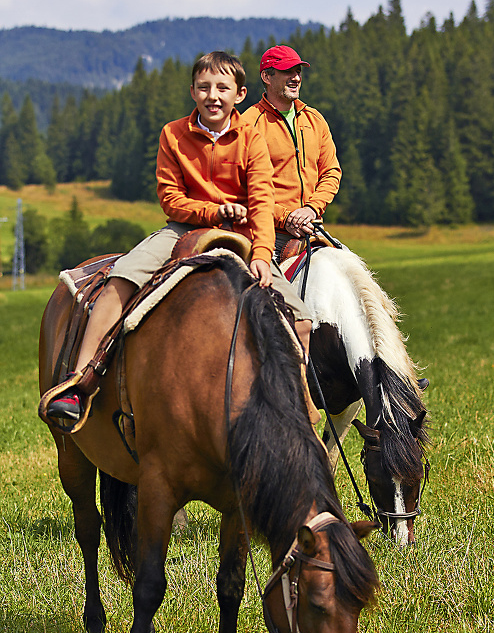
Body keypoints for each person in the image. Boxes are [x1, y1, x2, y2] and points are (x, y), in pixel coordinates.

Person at [47, 51, 313, 422]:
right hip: (184, 229)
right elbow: (171, 200)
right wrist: (213, 212)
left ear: (240, 94)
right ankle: (80, 383)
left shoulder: (252, 138)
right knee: (120, 279)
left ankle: (296, 409)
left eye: (223, 87)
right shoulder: (172, 134)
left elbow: (263, 201)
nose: (213, 95)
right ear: (192, 92)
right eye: (204, 87)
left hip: (242, 233)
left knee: (300, 318)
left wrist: (262, 253)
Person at [242, 45, 342, 261]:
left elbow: (331, 172)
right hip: (267, 235)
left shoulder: (315, 119)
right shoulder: (248, 124)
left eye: (298, 71)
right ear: (266, 76)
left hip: (313, 230)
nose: (296, 78)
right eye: (288, 71)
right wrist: (285, 218)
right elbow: (242, 188)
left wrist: (312, 209)